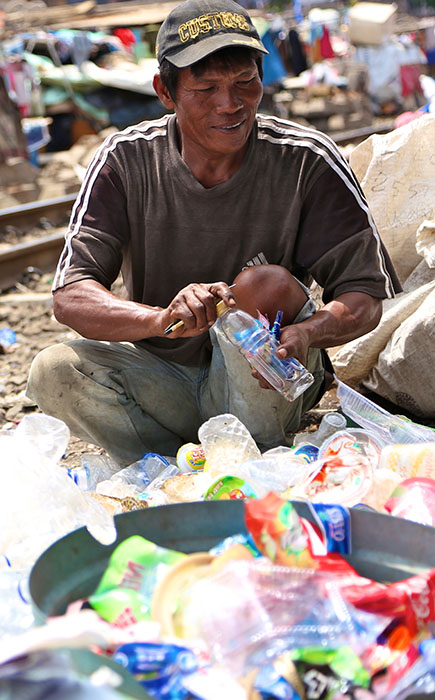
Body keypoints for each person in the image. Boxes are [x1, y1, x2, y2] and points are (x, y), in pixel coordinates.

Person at [27, 0, 401, 466]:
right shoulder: (126, 160)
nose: (231, 104)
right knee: (54, 370)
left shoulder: (307, 161)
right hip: (164, 381)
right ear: (165, 91)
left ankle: (254, 457)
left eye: (245, 82)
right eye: (206, 88)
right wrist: (161, 319)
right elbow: (71, 296)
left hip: (267, 382)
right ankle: (174, 471)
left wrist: (306, 334)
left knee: (264, 286)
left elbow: (364, 296)